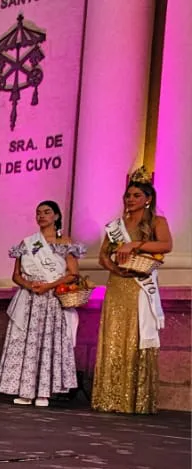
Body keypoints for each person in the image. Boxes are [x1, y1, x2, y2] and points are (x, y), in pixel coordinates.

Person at [92, 168, 174, 414]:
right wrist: (115, 270)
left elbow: (166, 245)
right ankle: (110, 397)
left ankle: (134, 400)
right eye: (128, 195)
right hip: (119, 283)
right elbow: (103, 256)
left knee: (137, 334)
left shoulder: (158, 222)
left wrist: (136, 244)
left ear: (147, 198)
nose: (131, 199)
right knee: (114, 335)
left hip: (140, 284)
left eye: (137, 195)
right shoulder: (115, 226)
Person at [0, 201, 83, 407]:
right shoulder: (27, 243)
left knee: (47, 344)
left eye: (46, 212)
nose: (42, 216)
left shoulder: (65, 243)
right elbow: (16, 275)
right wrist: (28, 284)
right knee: (27, 344)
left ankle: (44, 392)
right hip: (29, 300)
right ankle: (25, 390)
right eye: (38, 213)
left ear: (56, 216)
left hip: (52, 301)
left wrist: (49, 285)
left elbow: (73, 274)